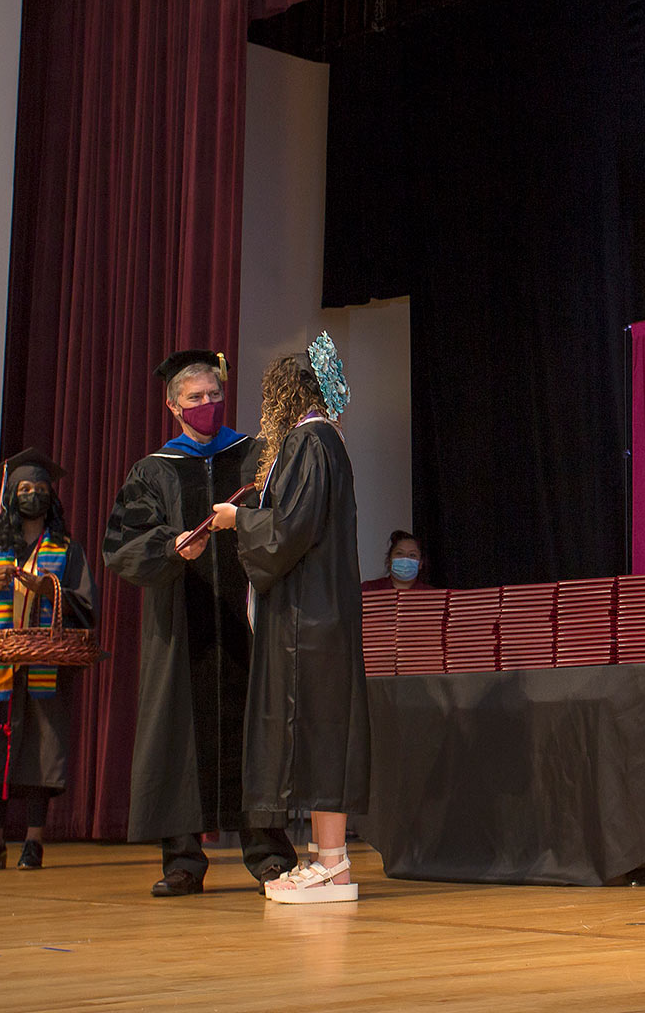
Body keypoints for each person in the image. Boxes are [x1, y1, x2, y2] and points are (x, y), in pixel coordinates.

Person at [103, 350, 296, 897]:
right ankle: (183, 861)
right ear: (172, 407)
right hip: (181, 627)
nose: (208, 405)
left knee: (256, 732)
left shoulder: (256, 456)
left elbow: (286, 521)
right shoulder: (154, 470)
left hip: (251, 620)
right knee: (175, 737)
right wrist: (170, 545)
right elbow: (122, 544)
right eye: (195, 398)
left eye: (214, 395)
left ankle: (268, 855)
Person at [211, 335, 371, 903]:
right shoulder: (323, 441)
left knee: (322, 734)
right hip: (315, 614)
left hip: (311, 622)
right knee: (318, 735)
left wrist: (239, 520)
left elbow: (289, 531)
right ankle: (325, 859)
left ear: (286, 395)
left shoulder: (311, 439)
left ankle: (333, 862)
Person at [0, 449, 97, 873]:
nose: (32, 495)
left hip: (45, 664)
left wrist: (47, 589)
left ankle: (34, 841)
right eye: (24, 489)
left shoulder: (66, 550)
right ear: (10, 496)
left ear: (52, 497)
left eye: (40, 489)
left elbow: (86, 604)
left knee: (40, 752)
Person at [363, 531, 432, 591]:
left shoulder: (432, 596)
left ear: (420, 564)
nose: (405, 558)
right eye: (399, 553)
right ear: (389, 560)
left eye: (412, 555)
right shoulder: (368, 589)